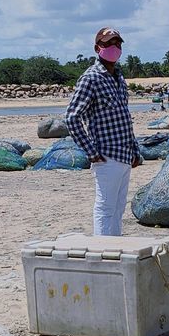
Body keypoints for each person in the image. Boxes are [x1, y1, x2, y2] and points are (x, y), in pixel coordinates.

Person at [65, 26, 140, 238]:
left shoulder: (119, 77)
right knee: (105, 208)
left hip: (125, 155)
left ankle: (115, 252)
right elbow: (72, 117)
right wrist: (91, 152)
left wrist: (135, 150)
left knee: (118, 209)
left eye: (118, 43)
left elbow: (124, 116)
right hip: (106, 156)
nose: (114, 47)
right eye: (109, 44)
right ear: (98, 48)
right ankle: (103, 254)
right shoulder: (91, 78)